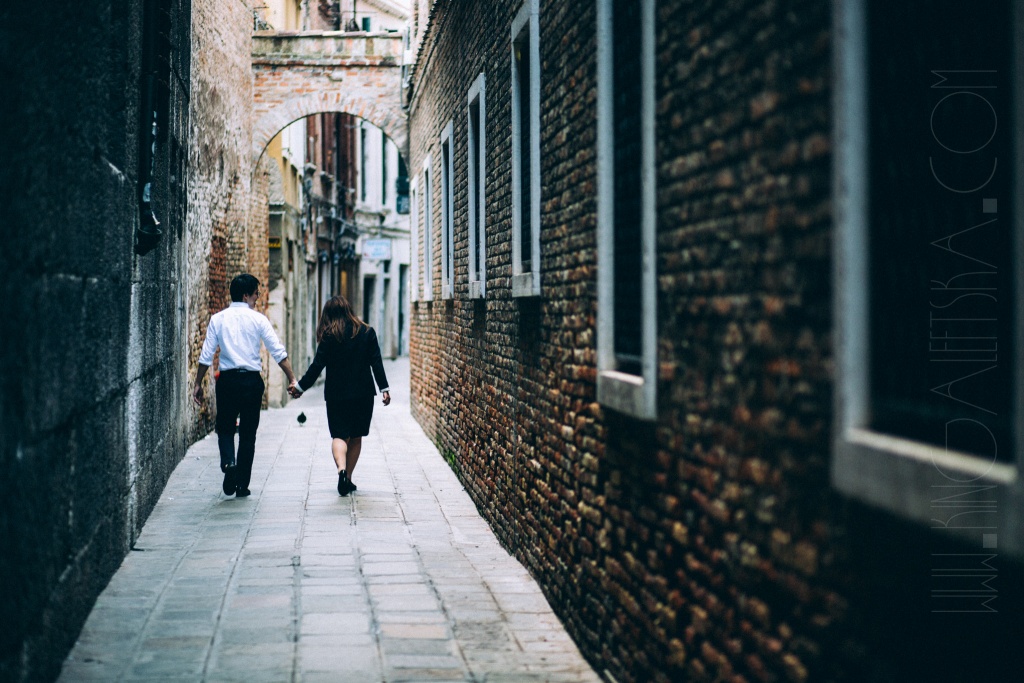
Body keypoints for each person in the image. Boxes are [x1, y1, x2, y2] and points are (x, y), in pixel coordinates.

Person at [194, 273, 299, 497]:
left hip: (228, 381)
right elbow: (277, 351)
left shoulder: (218, 319)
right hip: (251, 382)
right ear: (245, 295)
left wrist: (197, 383)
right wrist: (292, 378)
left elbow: (206, 355)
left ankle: (229, 463)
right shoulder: (258, 319)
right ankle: (242, 485)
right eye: (255, 294)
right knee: (248, 434)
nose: (257, 298)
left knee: (225, 427)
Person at [289, 295, 391, 496]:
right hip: (363, 394)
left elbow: (317, 366)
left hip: (337, 395)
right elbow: (376, 362)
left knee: (339, 435)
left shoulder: (329, 336)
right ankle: (348, 479)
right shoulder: (367, 332)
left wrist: (300, 387)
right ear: (348, 310)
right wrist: (384, 389)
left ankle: (341, 470)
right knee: (356, 436)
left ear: (328, 315)